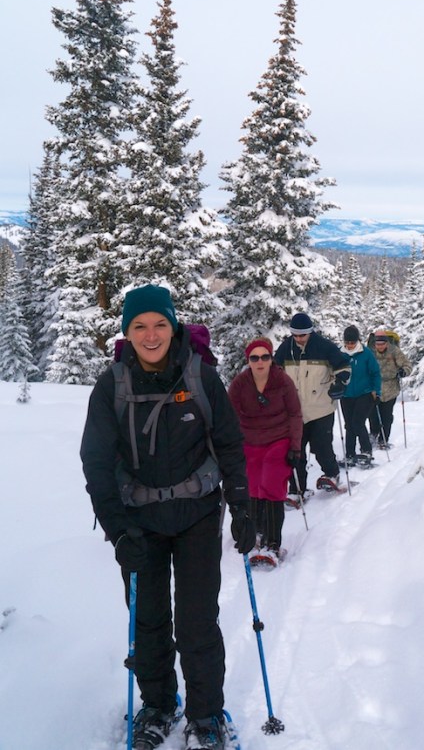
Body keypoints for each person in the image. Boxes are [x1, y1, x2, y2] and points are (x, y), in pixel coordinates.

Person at [80, 285, 256, 750]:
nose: (151, 334)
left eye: (160, 323)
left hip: (197, 515)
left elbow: (230, 443)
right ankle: (158, 705)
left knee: (197, 621)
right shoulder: (111, 385)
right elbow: (96, 463)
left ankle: (205, 715)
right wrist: (118, 530)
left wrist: (241, 504)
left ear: (174, 325)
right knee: (148, 622)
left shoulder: (201, 377)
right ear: (127, 332)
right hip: (138, 523)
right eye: (139, 325)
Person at [228, 337, 303, 566]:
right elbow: (230, 417)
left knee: (271, 483)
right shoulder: (240, 384)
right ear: (248, 360)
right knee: (252, 485)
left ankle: (272, 544)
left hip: (278, 439)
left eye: (265, 357)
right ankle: (255, 533)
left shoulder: (283, 381)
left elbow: (295, 414)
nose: (260, 362)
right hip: (249, 440)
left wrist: (295, 447)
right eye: (254, 357)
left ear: (271, 359)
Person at [274, 312, 351, 499]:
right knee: (295, 451)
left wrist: (339, 383)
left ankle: (332, 474)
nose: (299, 339)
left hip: (321, 408)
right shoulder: (286, 348)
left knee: (322, 447)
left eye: (303, 335)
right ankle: (297, 488)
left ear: (310, 332)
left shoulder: (324, 347)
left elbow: (344, 367)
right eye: (296, 335)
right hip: (294, 412)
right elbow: (275, 373)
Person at [340, 325, 381, 469]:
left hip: (365, 393)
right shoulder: (340, 354)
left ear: (357, 340)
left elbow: (375, 373)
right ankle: (350, 454)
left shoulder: (366, 353)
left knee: (358, 422)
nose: (350, 345)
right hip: (346, 395)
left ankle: (366, 451)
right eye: (348, 342)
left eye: (353, 342)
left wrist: (377, 390)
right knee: (349, 425)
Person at [368, 329, 413, 448]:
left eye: (382, 344)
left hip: (391, 389)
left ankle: (383, 440)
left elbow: (407, 365)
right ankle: (373, 434)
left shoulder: (395, 351)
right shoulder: (370, 352)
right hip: (373, 389)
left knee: (386, 416)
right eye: (378, 344)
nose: (380, 346)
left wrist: (403, 371)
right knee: (372, 415)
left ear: (387, 343)